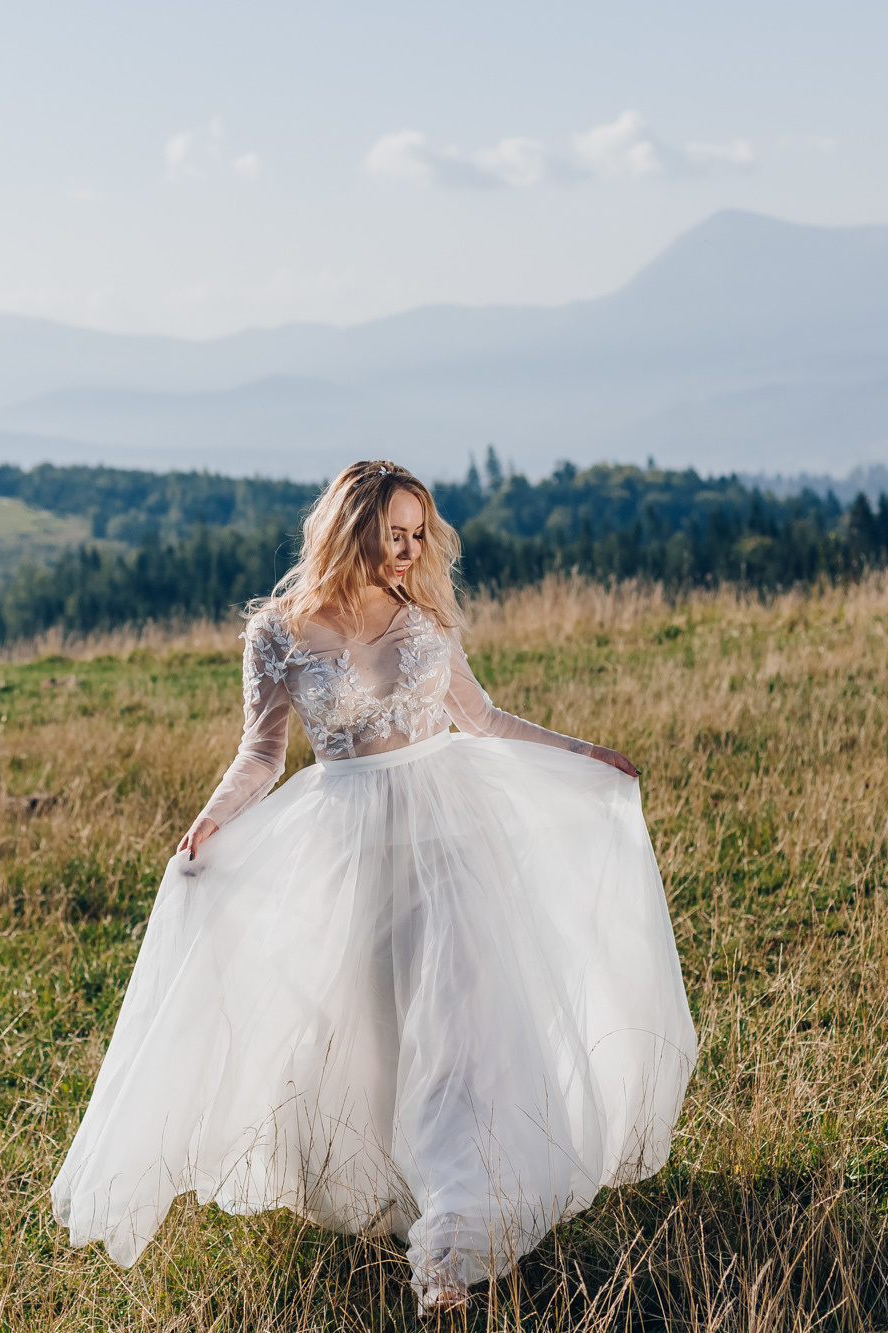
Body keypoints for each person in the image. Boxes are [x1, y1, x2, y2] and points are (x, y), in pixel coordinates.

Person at [51, 461, 695, 1315]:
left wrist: (583, 754)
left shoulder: (421, 616)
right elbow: (262, 755)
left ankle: (450, 1246)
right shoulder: (277, 632)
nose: (410, 549)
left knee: (457, 1028)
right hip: (350, 849)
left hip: (450, 834)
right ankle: (404, 1190)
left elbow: (483, 719)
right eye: (395, 532)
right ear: (350, 528)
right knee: (379, 1031)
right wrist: (208, 823)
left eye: (419, 533)